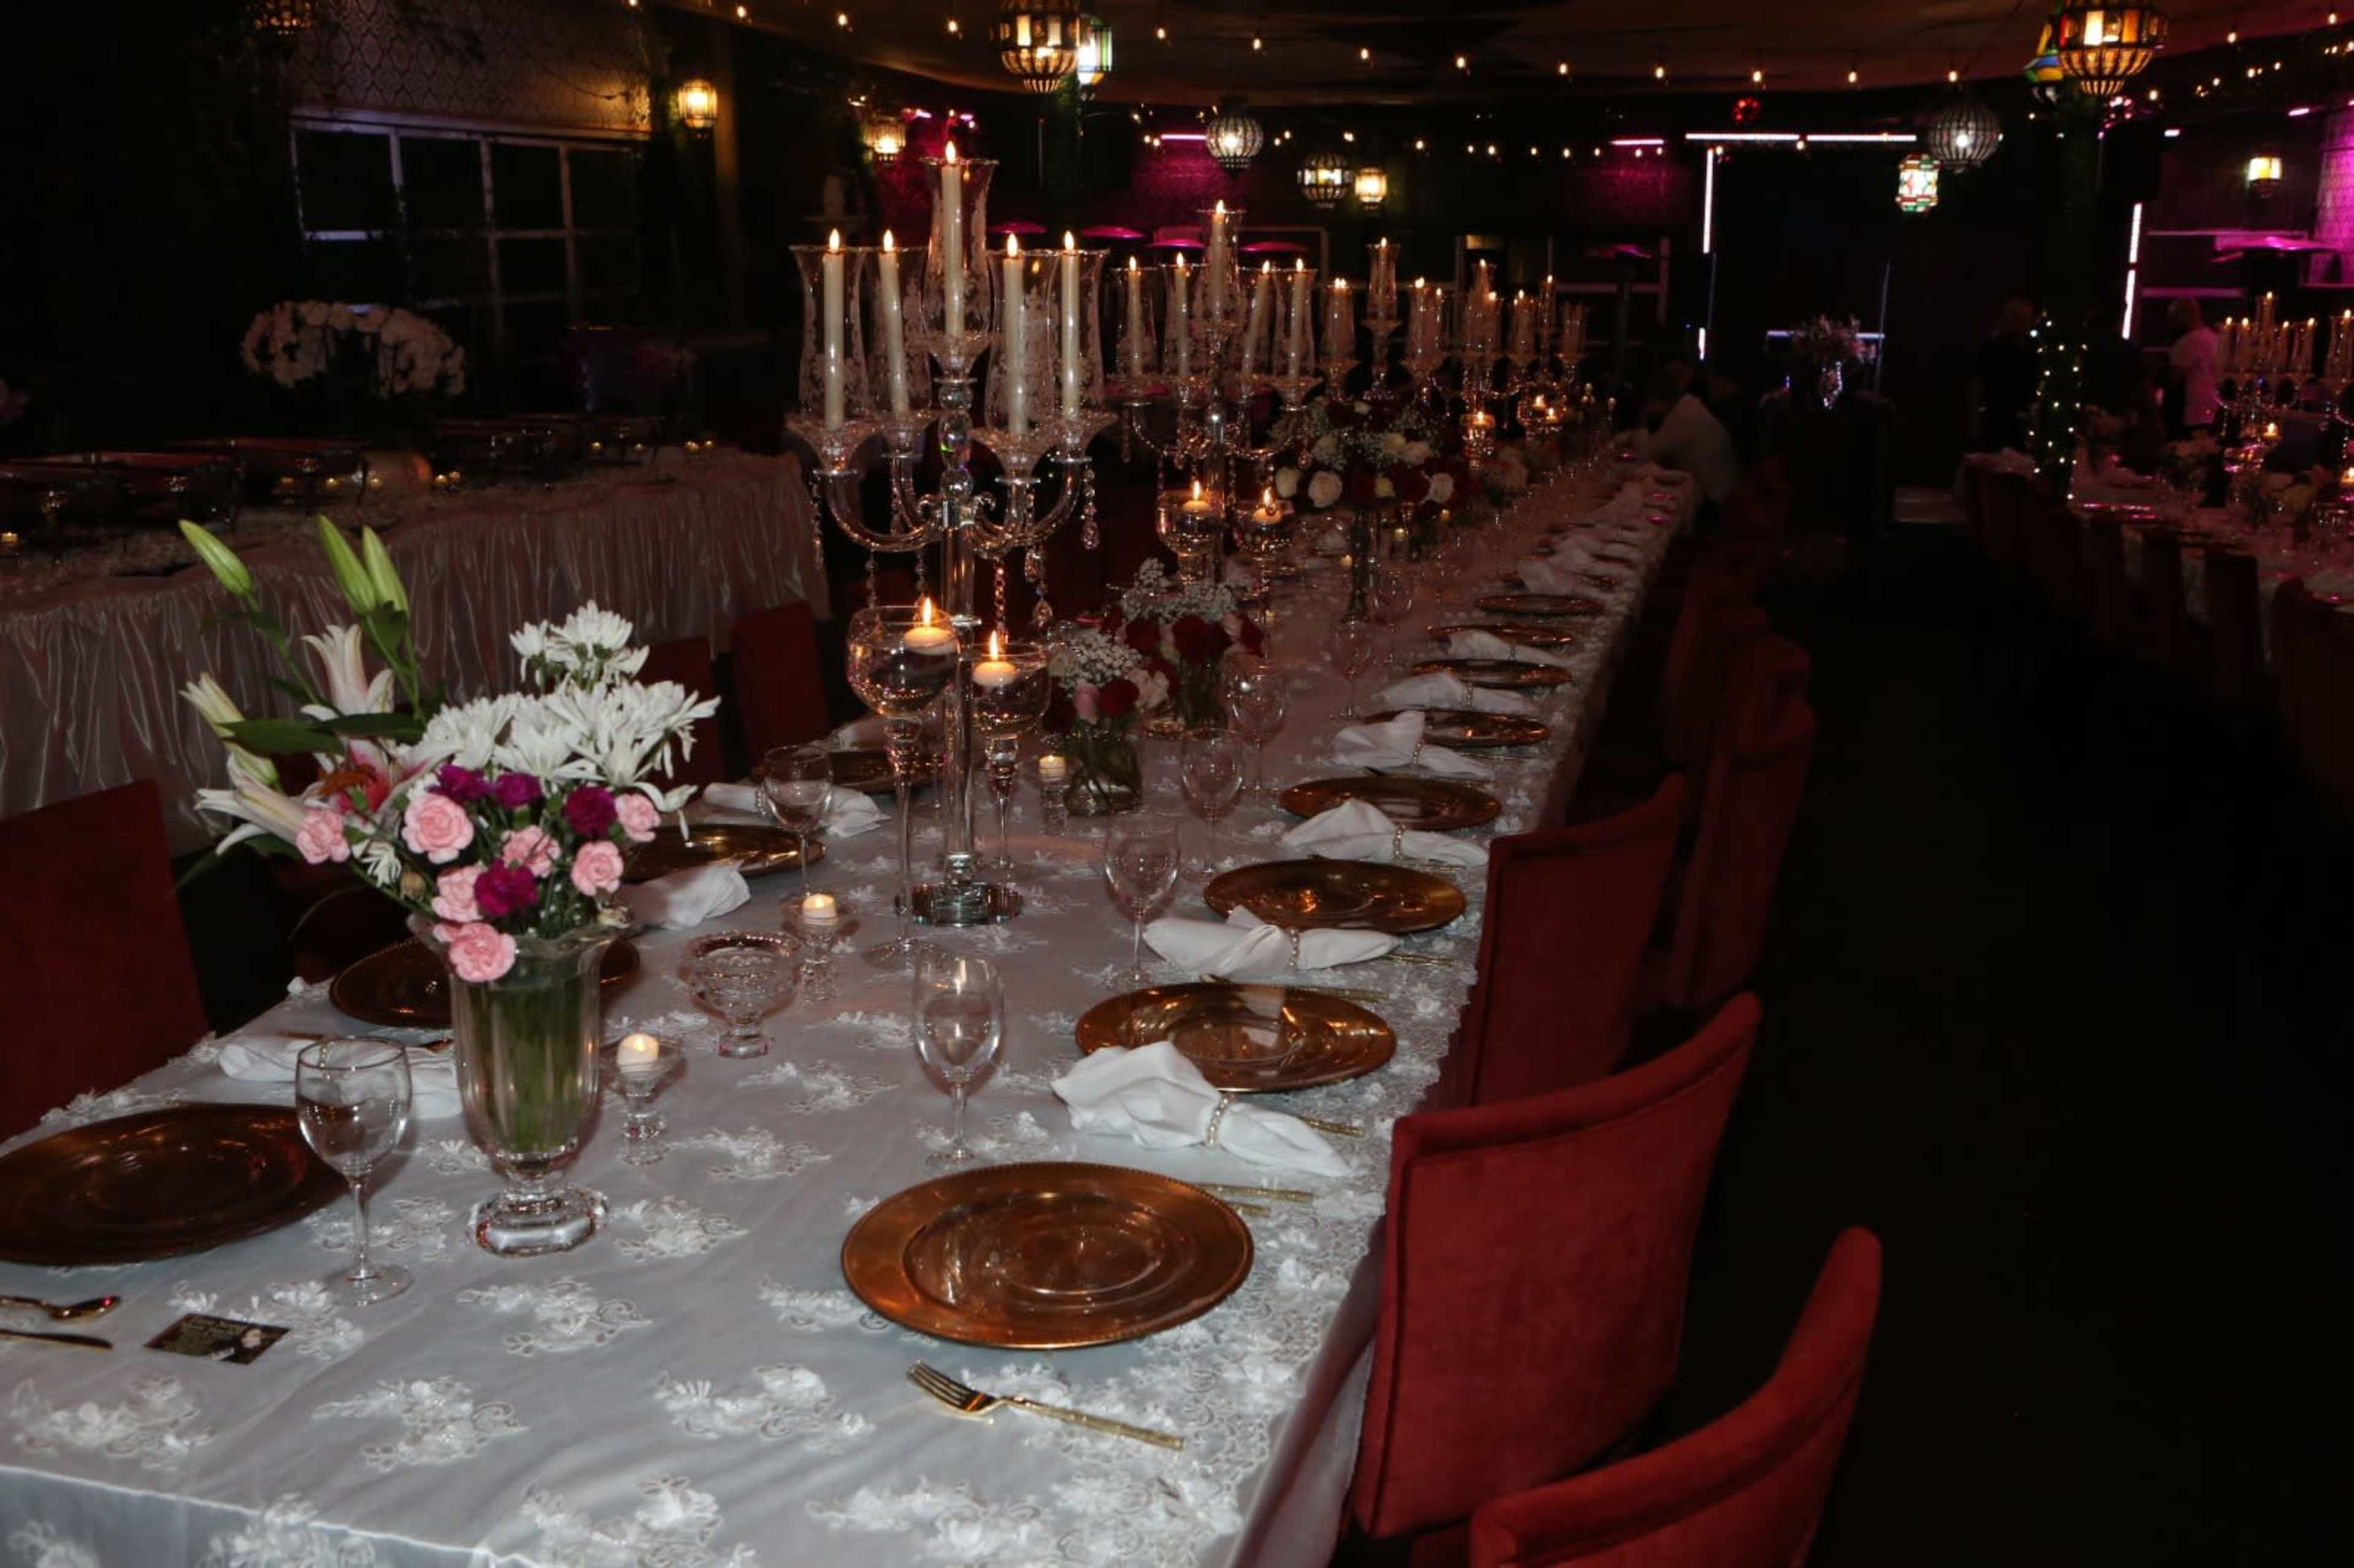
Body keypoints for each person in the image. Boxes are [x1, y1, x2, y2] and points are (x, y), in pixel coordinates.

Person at [1638, 367, 1740, 505]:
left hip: (1715, 500)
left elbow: (1646, 455)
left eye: (1647, 404)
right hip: (1724, 491)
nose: (1647, 409)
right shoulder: (1688, 406)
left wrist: (1643, 422)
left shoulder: (1681, 417)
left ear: (1655, 399)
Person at [1971, 299, 2038, 452]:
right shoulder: (1996, 349)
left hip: (2017, 421)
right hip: (1998, 419)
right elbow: (1978, 386)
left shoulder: (2029, 351)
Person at [2166, 299, 2220, 436]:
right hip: (2213, 410)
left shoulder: (2187, 342)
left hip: (2194, 414)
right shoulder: (2215, 338)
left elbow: (2173, 379)